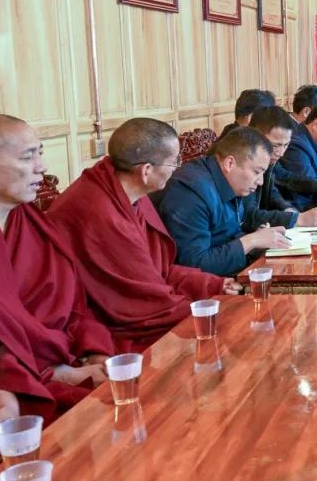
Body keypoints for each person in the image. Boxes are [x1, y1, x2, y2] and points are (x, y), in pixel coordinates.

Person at [0, 115, 114, 416]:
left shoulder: (30, 222)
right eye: (28, 157)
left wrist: (94, 351)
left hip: (64, 359)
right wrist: (54, 374)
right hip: (4, 386)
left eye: (40, 153)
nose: (42, 167)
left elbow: (73, 307)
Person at [47, 119, 235, 353]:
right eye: (174, 161)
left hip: (142, 300)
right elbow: (143, 300)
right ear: (146, 171)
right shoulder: (101, 212)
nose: (177, 168)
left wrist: (212, 284)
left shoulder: (128, 190)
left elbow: (157, 269)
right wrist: (209, 310)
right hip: (102, 323)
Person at [155, 127, 317, 276]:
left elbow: (234, 227)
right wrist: (252, 241)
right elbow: (195, 265)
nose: (261, 182)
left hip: (236, 270)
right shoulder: (191, 193)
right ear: (230, 163)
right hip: (213, 288)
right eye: (257, 172)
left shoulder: (229, 179)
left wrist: (257, 238)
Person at [245, 106, 300, 224]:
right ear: (254, 135)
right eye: (275, 145)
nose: (281, 153)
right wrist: (296, 219)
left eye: (286, 145)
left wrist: (288, 210)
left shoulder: (267, 159)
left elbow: (271, 192)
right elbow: (247, 215)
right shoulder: (242, 162)